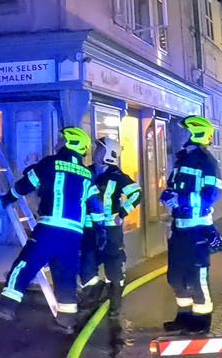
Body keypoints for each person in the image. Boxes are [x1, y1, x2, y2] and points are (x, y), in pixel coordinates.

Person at [0, 126, 104, 332]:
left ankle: (7, 307)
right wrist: (101, 230)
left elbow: (24, 185)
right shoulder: (88, 174)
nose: (58, 143)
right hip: (73, 235)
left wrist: (7, 199)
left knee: (24, 265)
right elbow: (96, 206)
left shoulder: (50, 163)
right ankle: (66, 320)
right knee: (66, 275)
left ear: (70, 143)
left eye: (61, 140)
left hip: (50, 228)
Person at [160, 115, 222, 335]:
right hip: (179, 229)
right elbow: (173, 186)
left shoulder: (207, 162)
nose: (176, 134)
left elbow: (212, 194)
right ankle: (184, 317)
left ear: (194, 134)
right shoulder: (181, 160)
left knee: (197, 278)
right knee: (176, 277)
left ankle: (202, 320)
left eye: (182, 131)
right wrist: (168, 194)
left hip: (198, 229)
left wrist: (182, 200)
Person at [79, 137, 141, 326]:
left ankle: (115, 305)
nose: (95, 151)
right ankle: (91, 299)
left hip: (110, 229)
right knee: (87, 264)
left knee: (114, 265)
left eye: (100, 149)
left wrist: (121, 213)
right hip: (89, 228)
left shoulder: (117, 175)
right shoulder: (87, 172)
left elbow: (136, 193)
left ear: (108, 155)